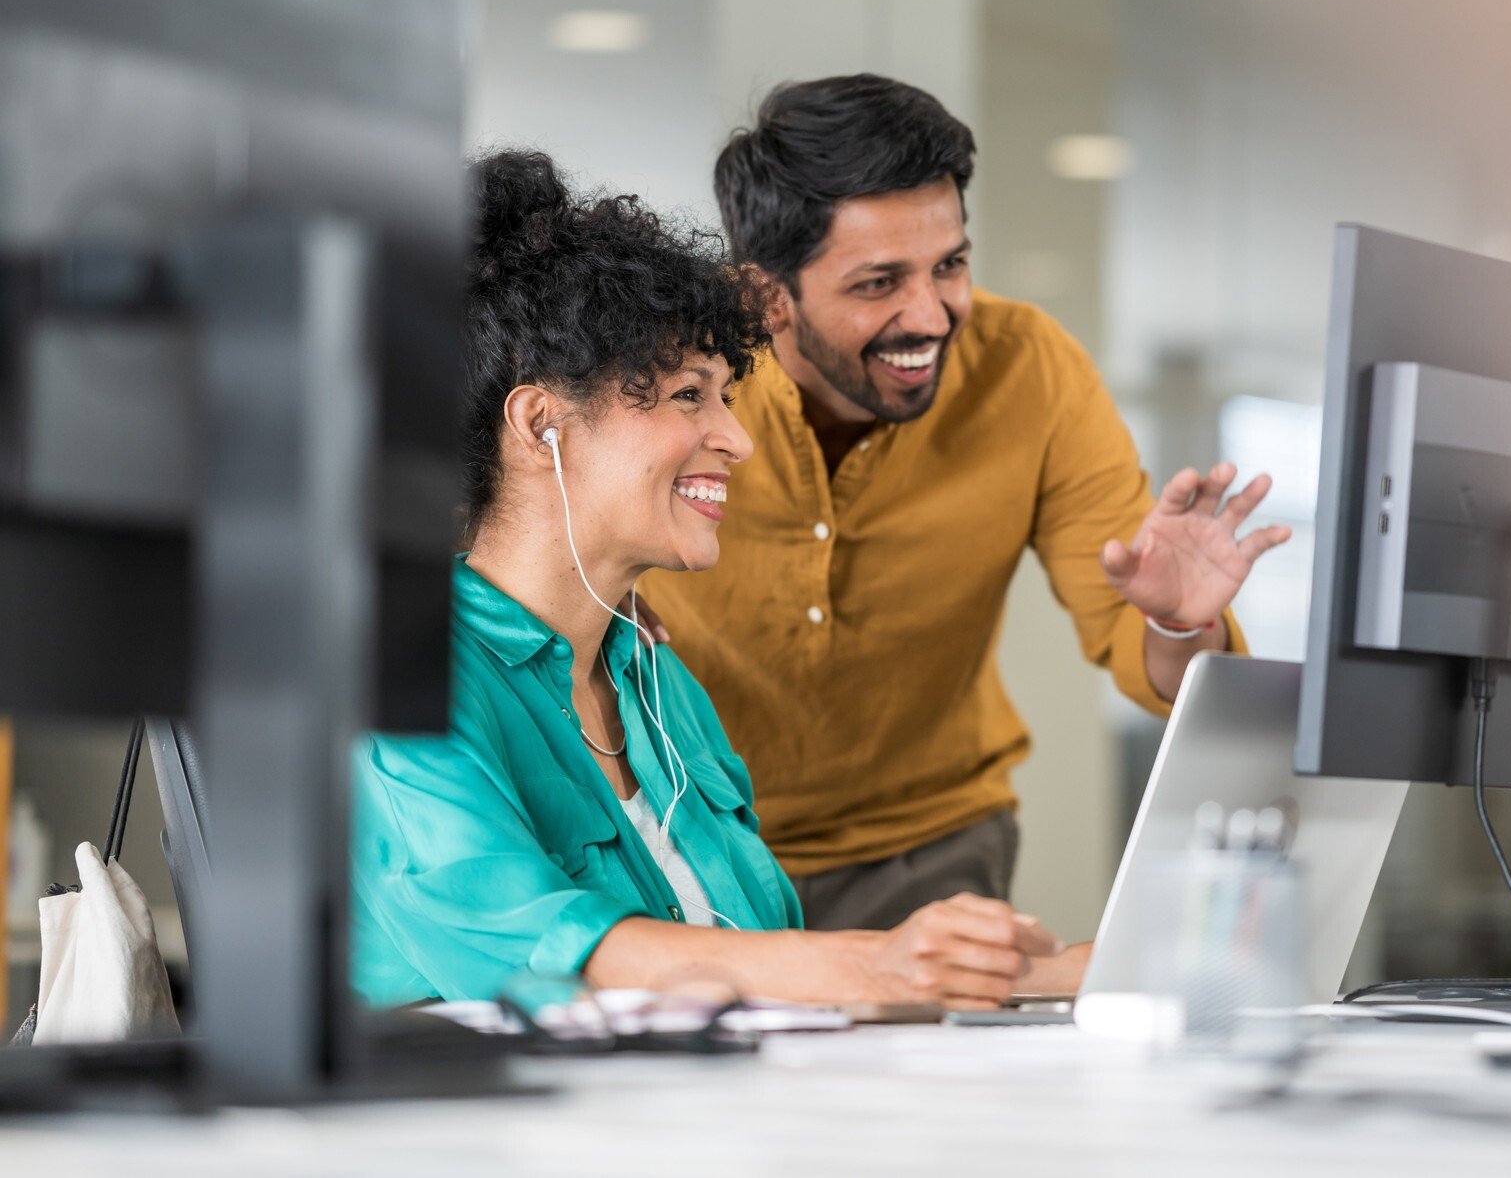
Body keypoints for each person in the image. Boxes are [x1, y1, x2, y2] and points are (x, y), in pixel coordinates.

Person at [350, 150, 1061, 1007]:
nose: (735, 438)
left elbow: (759, 954)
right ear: (540, 424)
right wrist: (877, 965)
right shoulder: (403, 670)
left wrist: (1059, 973)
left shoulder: (655, 682)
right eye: (690, 396)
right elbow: (540, 947)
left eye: (726, 396)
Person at [639, 74, 1291, 932]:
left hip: (928, 854)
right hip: (688, 847)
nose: (932, 314)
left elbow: (1141, 652)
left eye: (949, 266)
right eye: (879, 283)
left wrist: (1175, 623)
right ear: (767, 298)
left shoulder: (1029, 370)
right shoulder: (663, 383)